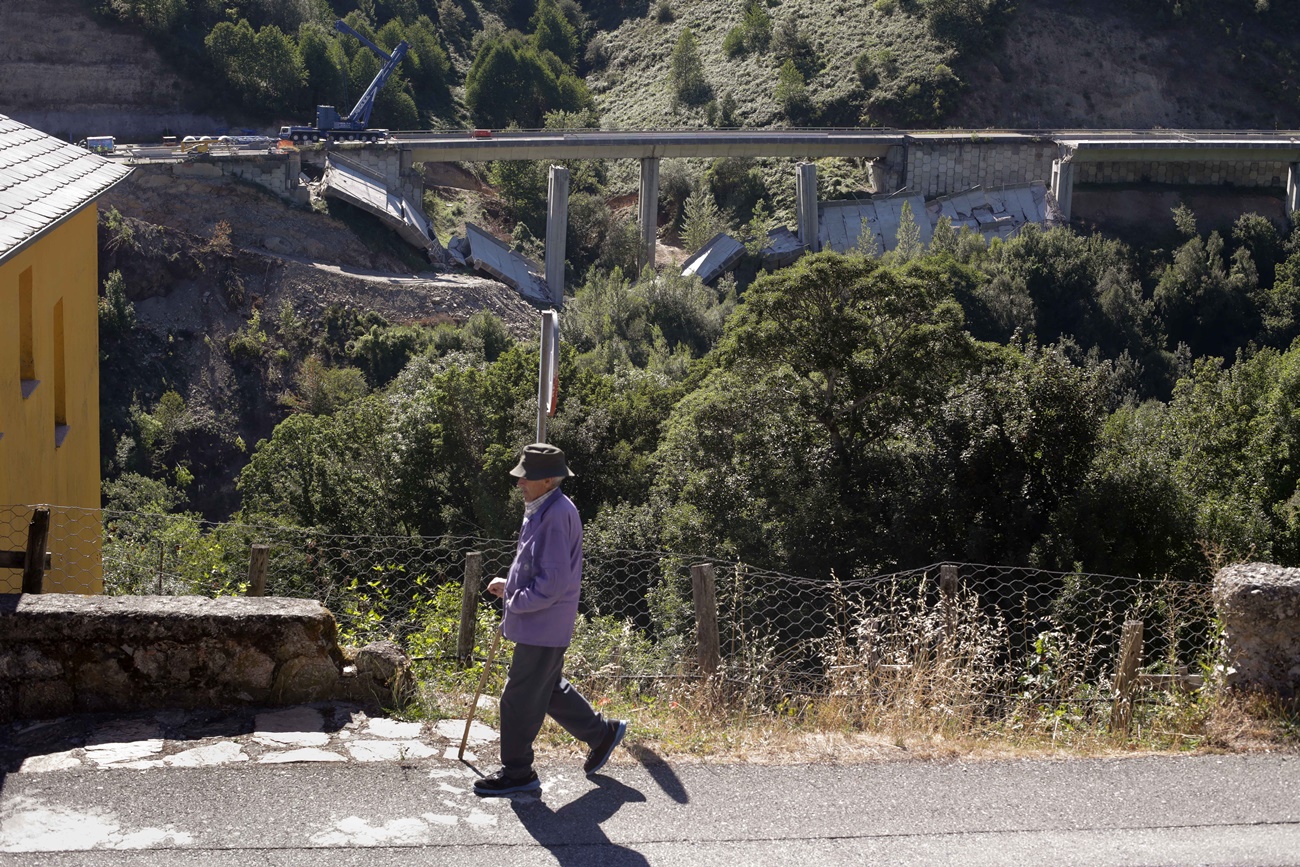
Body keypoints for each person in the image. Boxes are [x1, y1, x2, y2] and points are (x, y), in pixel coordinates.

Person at [474, 442, 628, 796]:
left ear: (546, 480)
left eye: (525, 476)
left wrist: (515, 600)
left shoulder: (557, 514)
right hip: (541, 623)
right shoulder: (542, 507)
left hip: (542, 625)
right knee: (546, 689)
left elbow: (553, 583)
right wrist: (508, 583)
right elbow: (535, 566)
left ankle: (518, 773)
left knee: (518, 698)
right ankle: (601, 734)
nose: (519, 483)